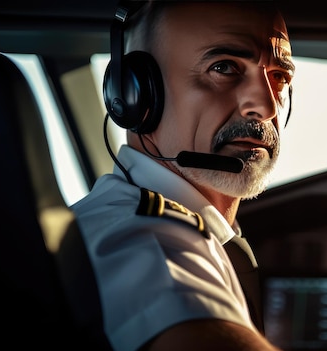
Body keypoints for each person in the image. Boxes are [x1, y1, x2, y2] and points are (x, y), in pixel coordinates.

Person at [68, 1, 295, 350]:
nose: (265, 106)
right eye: (224, 67)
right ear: (133, 95)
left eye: (278, 77)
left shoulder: (187, 230)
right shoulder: (147, 240)